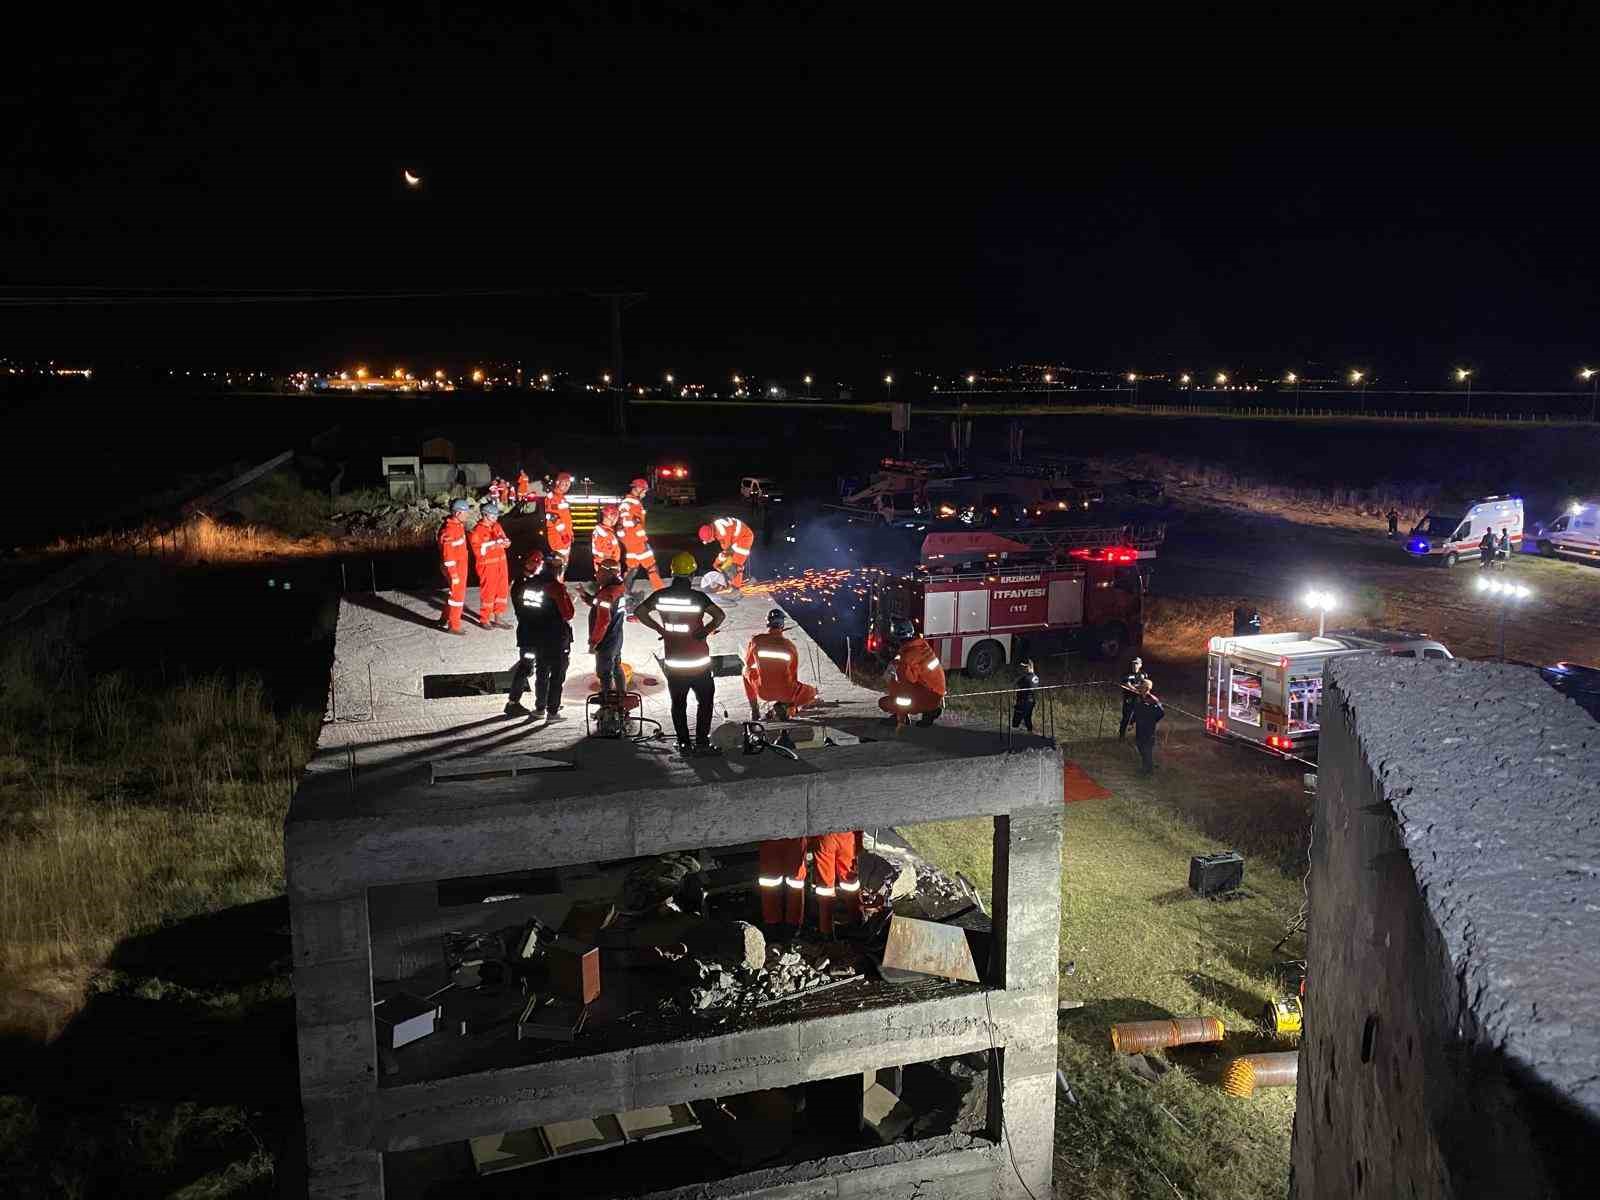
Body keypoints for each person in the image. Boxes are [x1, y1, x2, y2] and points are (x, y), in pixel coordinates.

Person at [633, 551, 726, 756]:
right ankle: (702, 743)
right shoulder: (698, 597)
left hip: (675, 664)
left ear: (673, 573)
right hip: (699, 664)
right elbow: (720, 615)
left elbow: (639, 612)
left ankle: (684, 743)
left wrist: (660, 629)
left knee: (678, 704)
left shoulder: (660, 595)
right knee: (705, 703)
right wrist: (705, 630)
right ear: (692, 574)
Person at [506, 552, 575, 721]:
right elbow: (568, 613)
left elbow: (525, 608)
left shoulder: (528, 584)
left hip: (530, 634)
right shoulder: (554, 587)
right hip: (548, 637)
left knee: (540, 672)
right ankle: (549, 708)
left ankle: (541, 705)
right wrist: (567, 598)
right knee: (551, 672)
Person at [743, 608, 819, 721]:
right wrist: (791, 702)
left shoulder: (756, 640)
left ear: (767, 623)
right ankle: (786, 707)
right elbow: (793, 675)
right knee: (812, 692)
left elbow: (749, 663)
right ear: (782, 625)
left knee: (745, 671)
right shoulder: (790, 646)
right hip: (787, 693)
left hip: (763, 692)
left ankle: (754, 710)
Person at [878, 619, 946, 727]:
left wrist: (893, 669)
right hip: (936, 694)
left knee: (885, 701)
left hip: (929, 698)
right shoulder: (921, 646)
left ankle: (900, 718)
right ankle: (929, 713)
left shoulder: (907, 657)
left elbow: (906, 682)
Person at [581, 556, 628, 702]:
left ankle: (608, 705)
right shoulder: (617, 589)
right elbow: (601, 604)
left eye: (600, 571)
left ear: (611, 574)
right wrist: (587, 598)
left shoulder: (606, 594)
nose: (596, 574)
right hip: (616, 637)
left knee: (604, 673)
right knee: (616, 666)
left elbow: (603, 620)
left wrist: (594, 642)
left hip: (606, 641)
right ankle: (622, 698)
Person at [467, 501, 512, 629]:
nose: (495, 519)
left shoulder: (496, 526)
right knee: (489, 592)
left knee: (502, 591)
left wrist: (506, 542)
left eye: (496, 516)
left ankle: (498, 617)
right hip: (487, 566)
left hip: (501, 564)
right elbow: (479, 550)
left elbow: (504, 539)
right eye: (493, 516)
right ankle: (485, 619)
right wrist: (494, 543)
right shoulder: (477, 531)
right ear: (485, 515)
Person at [813, 829, 862, 936]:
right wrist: (858, 844)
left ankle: (826, 932)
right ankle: (858, 923)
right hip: (847, 835)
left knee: (825, 889)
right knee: (850, 883)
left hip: (824, 836)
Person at [757, 834, 807, 938]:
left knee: (772, 883)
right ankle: (791, 930)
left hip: (772, 836)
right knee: (791, 883)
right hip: (792, 835)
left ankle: (775, 929)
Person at [619, 477, 664, 591]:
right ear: (638, 489)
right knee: (651, 566)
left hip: (629, 542)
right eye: (644, 490)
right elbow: (625, 522)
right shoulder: (630, 503)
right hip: (636, 541)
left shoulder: (631, 502)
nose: (645, 493)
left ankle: (622, 593)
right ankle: (659, 590)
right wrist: (636, 522)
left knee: (631, 568)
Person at [436, 498, 472, 635]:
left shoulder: (457, 525)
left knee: (453, 593)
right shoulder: (449, 530)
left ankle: (444, 619)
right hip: (454, 568)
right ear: (457, 514)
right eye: (466, 512)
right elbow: (448, 556)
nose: (468, 514)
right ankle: (454, 625)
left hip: (459, 566)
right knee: (457, 596)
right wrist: (454, 574)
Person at [699, 515, 755, 589]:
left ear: (710, 536)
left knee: (736, 565)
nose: (710, 542)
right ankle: (742, 578)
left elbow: (727, 552)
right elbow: (727, 551)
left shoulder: (722, 534)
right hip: (739, 536)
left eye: (708, 541)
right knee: (733, 560)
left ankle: (735, 590)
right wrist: (719, 562)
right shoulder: (716, 526)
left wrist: (717, 562)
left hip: (744, 538)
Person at [1131, 681, 1165, 774]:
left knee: (1147, 748)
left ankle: (1148, 769)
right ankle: (1146, 766)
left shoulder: (1153, 700)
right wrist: (1132, 721)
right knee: (1140, 745)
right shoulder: (1139, 698)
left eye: (1141, 688)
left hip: (1148, 729)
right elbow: (1136, 711)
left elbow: (1161, 713)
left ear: (1147, 689)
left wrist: (1151, 721)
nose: (1139, 689)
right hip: (1139, 726)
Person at [1118, 655, 1152, 738]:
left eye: (1136, 664)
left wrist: (1146, 692)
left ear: (1140, 665)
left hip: (1139, 698)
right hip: (1129, 698)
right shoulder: (1127, 674)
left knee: (1140, 714)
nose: (1134, 665)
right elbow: (1128, 685)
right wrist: (1138, 690)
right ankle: (1121, 735)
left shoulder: (1144, 674)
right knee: (1126, 717)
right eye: (1133, 663)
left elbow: (1147, 684)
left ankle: (1133, 725)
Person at [544, 470, 574, 560]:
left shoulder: (561, 497)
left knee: (563, 565)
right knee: (559, 567)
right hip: (558, 538)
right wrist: (564, 534)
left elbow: (565, 518)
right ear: (557, 482)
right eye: (564, 484)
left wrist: (570, 534)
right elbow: (552, 517)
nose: (566, 486)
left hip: (564, 538)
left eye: (568, 484)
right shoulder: (552, 497)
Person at [591, 503, 623, 577]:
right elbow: (607, 555)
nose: (617, 519)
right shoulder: (606, 534)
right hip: (608, 568)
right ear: (611, 516)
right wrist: (614, 568)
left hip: (602, 565)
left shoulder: (601, 530)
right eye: (616, 516)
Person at [1011, 658, 1040, 733]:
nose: (1023, 669)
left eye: (1025, 667)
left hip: (1023, 701)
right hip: (1030, 701)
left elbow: (1015, 685)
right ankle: (1029, 734)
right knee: (1027, 719)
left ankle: (1013, 738)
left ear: (1029, 667)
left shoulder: (1026, 678)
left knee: (1016, 721)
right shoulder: (1035, 677)